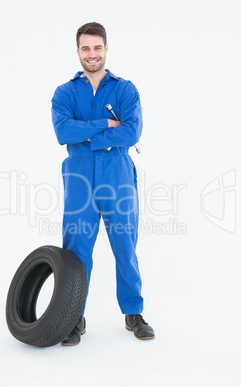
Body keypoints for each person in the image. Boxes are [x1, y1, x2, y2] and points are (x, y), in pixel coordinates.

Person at [51, 22, 155, 345]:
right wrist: (104, 125)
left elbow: (131, 132)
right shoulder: (65, 93)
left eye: (97, 47)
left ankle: (133, 313)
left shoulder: (125, 90)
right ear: (78, 51)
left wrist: (88, 135)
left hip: (118, 175)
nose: (92, 54)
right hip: (80, 178)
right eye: (86, 48)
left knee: (125, 246)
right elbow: (62, 133)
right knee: (77, 250)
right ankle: (74, 317)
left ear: (106, 49)